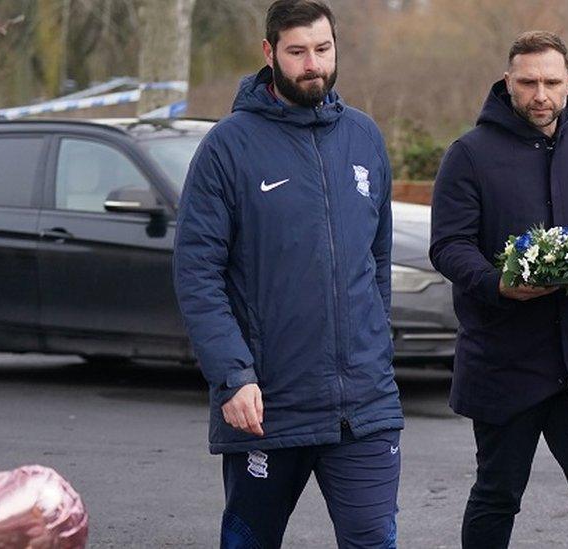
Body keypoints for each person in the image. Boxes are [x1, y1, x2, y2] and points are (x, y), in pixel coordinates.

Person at [172, 1, 402, 547]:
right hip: (267, 406)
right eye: (297, 52)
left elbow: (379, 260)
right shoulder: (227, 147)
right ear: (269, 53)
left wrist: (374, 346)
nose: (312, 64)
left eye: (323, 50)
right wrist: (232, 375)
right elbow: (196, 273)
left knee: (374, 539)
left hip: (364, 406)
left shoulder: (364, 138)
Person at [429, 31, 568, 548]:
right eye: (528, 83)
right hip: (505, 361)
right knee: (498, 494)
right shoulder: (469, 154)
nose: (540, 95)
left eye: (551, 82)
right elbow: (449, 245)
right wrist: (496, 283)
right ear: (508, 82)